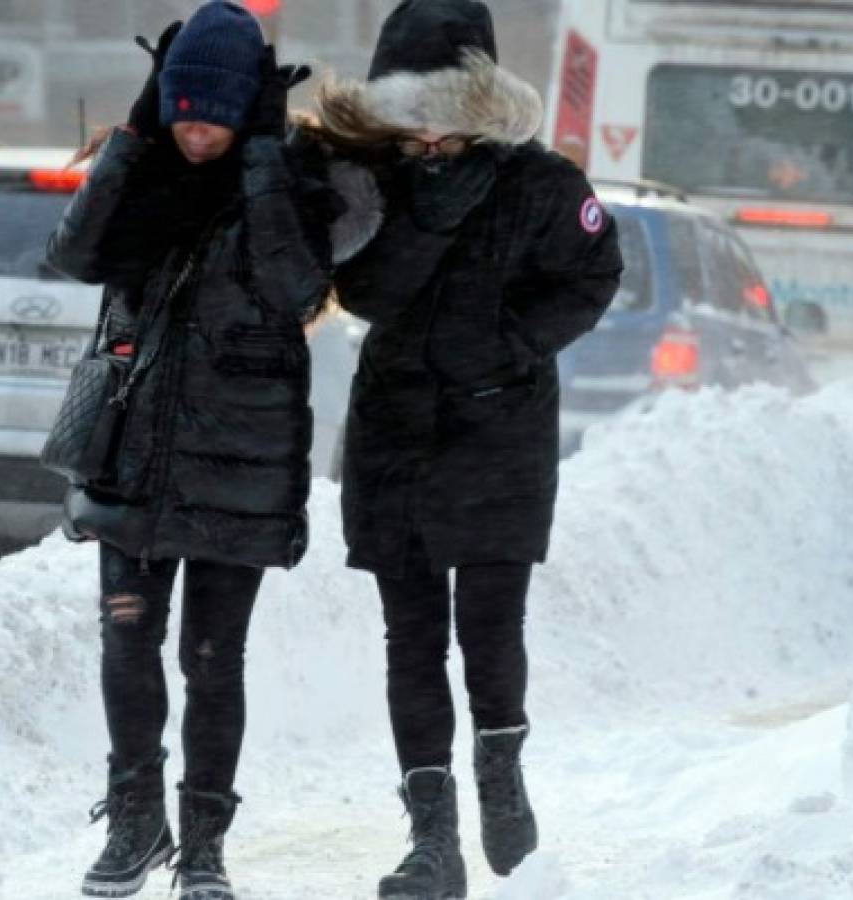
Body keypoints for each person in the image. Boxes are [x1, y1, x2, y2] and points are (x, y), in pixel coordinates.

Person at [45, 4, 371, 898]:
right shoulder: (142, 170)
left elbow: (295, 288)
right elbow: (73, 256)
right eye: (183, 109)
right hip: (132, 451)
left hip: (242, 462)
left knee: (211, 662)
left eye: (214, 114)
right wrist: (135, 133)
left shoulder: (292, 181)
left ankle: (204, 849)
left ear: (245, 113)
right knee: (126, 644)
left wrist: (263, 157)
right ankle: (134, 825)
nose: (197, 130)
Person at [313, 1, 624, 897]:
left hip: (499, 429)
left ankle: (500, 770)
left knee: (489, 628)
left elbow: (593, 274)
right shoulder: (372, 186)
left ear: (477, 104)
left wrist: (510, 345)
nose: (423, 142)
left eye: (436, 120)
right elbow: (362, 290)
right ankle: (431, 840)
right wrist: (427, 218)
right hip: (395, 435)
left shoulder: (541, 183)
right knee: (409, 639)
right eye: (405, 124)